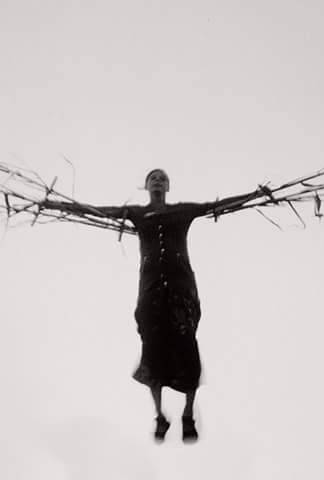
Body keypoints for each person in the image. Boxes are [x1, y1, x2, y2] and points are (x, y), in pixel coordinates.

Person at [76, 169, 260, 443]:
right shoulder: (136, 213)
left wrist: (254, 194)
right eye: (153, 178)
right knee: (152, 349)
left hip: (181, 289)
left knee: (187, 346)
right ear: (146, 186)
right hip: (150, 291)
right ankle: (160, 416)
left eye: (162, 178)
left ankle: (188, 414)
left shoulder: (182, 211)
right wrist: (57, 204)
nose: (158, 181)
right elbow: (99, 212)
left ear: (168, 187)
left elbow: (217, 206)